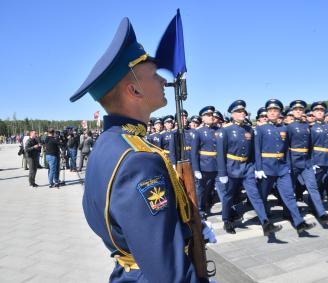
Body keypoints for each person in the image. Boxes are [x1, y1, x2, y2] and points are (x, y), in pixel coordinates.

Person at [71, 18, 201, 282]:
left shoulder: (111, 143)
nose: (164, 82)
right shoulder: (137, 160)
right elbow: (167, 272)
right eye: (154, 75)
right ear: (134, 90)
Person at [216, 99, 283, 235]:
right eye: (239, 112)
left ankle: (265, 223)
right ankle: (227, 220)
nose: (242, 113)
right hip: (231, 168)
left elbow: (253, 151)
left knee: (255, 195)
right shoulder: (225, 131)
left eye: (243, 111)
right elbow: (220, 154)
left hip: (247, 168)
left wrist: (256, 167)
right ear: (232, 114)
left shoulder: (249, 130)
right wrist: (222, 173)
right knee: (228, 196)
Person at [254, 99, 315, 233]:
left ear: (279, 113)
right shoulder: (260, 128)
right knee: (262, 196)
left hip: (282, 168)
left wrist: (288, 165)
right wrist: (258, 168)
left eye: (275, 111)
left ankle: (299, 222)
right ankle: (265, 221)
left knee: (289, 195)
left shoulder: (284, 128)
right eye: (270, 111)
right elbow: (257, 150)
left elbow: (287, 149)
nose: (272, 113)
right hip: (266, 168)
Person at [286, 100, 328, 223]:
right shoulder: (288, 127)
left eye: (301, 109)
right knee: (289, 188)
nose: (298, 111)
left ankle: (321, 213)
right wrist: (287, 164)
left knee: (313, 187)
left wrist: (312, 161)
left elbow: (311, 145)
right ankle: (287, 212)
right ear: (293, 112)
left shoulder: (308, 126)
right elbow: (285, 147)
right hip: (293, 161)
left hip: (306, 162)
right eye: (296, 109)